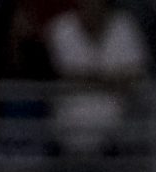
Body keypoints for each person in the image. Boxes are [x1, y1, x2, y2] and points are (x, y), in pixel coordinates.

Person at [46, 0, 149, 156]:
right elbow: (65, 76)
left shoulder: (124, 24)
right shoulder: (61, 27)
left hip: (119, 118)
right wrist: (111, 79)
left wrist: (87, 79)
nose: (91, 5)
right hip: (70, 118)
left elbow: (134, 76)